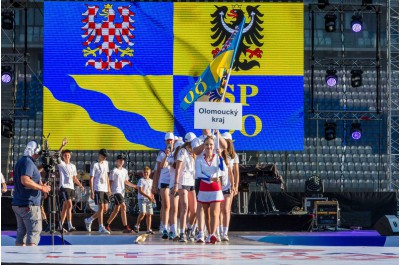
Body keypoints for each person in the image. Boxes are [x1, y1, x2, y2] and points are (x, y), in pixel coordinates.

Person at [11, 140, 51, 246]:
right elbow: (25, 180)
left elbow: (31, 173)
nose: (38, 155)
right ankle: (30, 259)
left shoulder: (23, 161)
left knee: (22, 234)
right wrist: (42, 188)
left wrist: (43, 168)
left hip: (19, 203)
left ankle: (19, 260)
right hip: (29, 204)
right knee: (33, 233)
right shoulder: (28, 162)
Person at [195, 136, 226, 244]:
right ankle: (207, 234)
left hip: (215, 188)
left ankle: (213, 234)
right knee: (206, 213)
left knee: (214, 212)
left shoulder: (217, 157)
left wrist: (221, 157)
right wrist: (209, 178)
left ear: (214, 146)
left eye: (211, 144)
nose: (209, 146)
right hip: (204, 188)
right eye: (207, 144)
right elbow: (198, 174)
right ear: (204, 146)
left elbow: (223, 169)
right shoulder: (199, 159)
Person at [172, 132, 197, 242]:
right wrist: (176, 184)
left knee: (194, 209)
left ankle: (190, 229)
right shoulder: (182, 152)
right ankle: (182, 232)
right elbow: (178, 168)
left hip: (192, 182)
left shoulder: (195, 153)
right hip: (183, 181)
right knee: (185, 206)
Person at [105, 154, 137, 233]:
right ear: (117, 161)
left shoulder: (125, 171)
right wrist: (109, 191)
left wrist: (135, 186)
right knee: (123, 206)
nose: (121, 161)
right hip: (116, 191)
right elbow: (110, 181)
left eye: (123, 160)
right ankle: (125, 227)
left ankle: (106, 224)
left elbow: (126, 181)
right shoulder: (114, 171)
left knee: (117, 209)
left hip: (121, 192)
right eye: (120, 160)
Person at [152, 132, 175, 239]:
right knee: (166, 205)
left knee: (174, 206)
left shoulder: (177, 152)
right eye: (168, 140)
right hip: (164, 181)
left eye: (171, 140)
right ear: (165, 141)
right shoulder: (162, 154)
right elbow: (159, 168)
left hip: (173, 181)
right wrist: (155, 185)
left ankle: (172, 226)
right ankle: (164, 226)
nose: (170, 142)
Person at [84, 148, 111, 234]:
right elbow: (91, 178)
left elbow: (106, 176)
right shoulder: (94, 164)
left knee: (105, 208)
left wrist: (109, 188)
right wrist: (92, 191)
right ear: (100, 155)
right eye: (103, 156)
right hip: (98, 187)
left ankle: (89, 219)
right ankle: (101, 226)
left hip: (105, 188)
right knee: (100, 207)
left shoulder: (106, 163)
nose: (104, 158)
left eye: (105, 157)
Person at [58, 149, 84, 233]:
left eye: (68, 155)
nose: (67, 157)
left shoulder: (73, 166)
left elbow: (74, 178)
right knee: (69, 205)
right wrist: (62, 146)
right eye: (65, 155)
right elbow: (57, 155)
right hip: (64, 187)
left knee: (65, 207)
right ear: (63, 156)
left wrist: (80, 185)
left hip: (71, 187)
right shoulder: (61, 164)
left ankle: (60, 225)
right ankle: (69, 225)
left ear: (70, 156)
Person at [219, 132, 239, 241]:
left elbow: (235, 172)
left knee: (226, 209)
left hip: (228, 185)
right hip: (218, 184)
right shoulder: (218, 153)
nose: (225, 143)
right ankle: (219, 230)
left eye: (227, 141)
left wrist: (235, 185)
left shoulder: (234, 155)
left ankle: (224, 232)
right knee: (219, 209)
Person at [167, 138, 184, 240]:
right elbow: (170, 164)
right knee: (174, 209)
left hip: (183, 185)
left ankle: (180, 229)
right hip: (174, 185)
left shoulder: (184, 157)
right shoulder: (172, 158)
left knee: (182, 209)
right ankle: (174, 230)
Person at [134, 166, 155, 234]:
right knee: (143, 213)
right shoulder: (141, 180)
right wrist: (148, 196)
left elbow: (152, 190)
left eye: (147, 172)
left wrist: (152, 197)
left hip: (149, 199)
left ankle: (148, 229)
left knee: (149, 214)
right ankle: (137, 225)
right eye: (144, 172)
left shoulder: (151, 181)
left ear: (149, 173)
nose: (146, 174)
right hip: (142, 199)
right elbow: (140, 191)